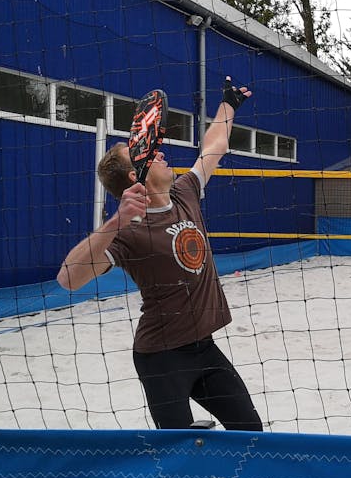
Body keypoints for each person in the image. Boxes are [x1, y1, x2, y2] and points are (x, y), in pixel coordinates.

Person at [57, 77, 263, 441]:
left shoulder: (185, 192)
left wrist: (228, 103)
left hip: (204, 346)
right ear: (135, 174)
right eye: (150, 152)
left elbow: (214, 145)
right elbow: (68, 279)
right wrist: (115, 221)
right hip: (161, 358)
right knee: (174, 451)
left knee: (250, 431)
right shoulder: (128, 230)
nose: (161, 151)